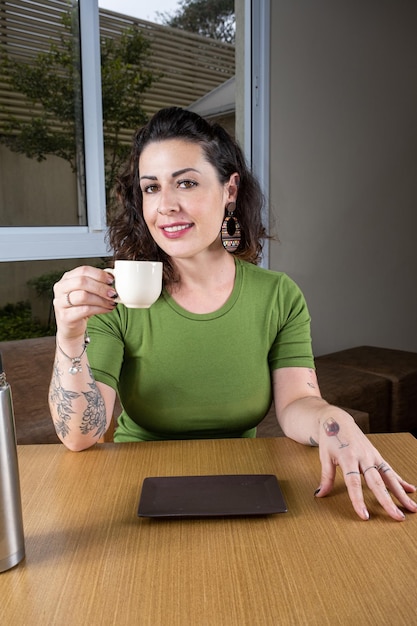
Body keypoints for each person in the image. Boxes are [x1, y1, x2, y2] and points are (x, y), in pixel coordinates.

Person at [49, 106, 416, 522]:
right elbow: (82, 435)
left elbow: (297, 402)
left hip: (245, 485)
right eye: (151, 188)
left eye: (186, 183)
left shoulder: (278, 295)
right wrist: (70, 338)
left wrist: (332, 418)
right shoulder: (116, 297)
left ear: (230, 190)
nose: (165, 205)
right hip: (138, 485)